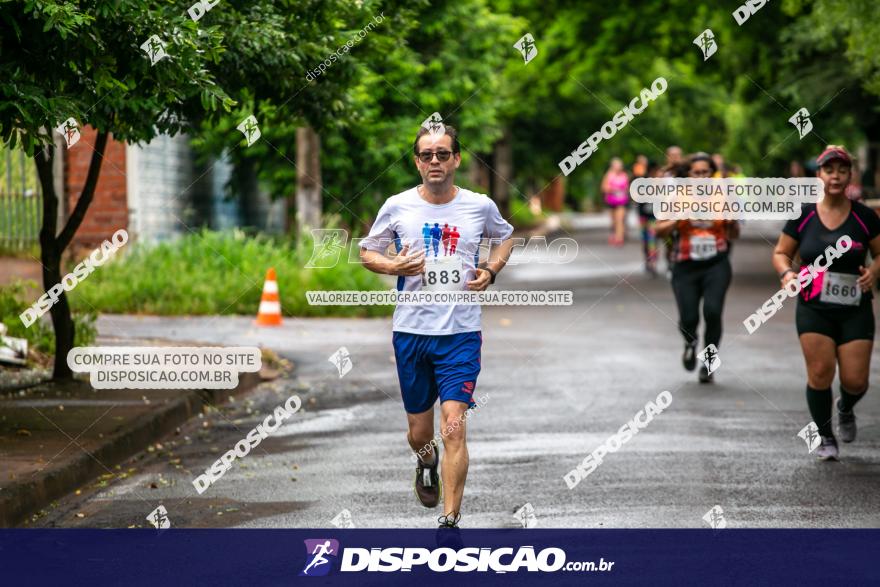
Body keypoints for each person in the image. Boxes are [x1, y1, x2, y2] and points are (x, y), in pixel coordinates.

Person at [360, 124, 515, 528]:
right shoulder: (397, 205)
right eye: (426, 154)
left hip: (461, 334)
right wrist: (392, 265)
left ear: (456, 159)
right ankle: (425, 461)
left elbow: (505, 238)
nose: (434, 161)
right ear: (416, 161)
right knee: (420, 433)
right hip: (411, 331)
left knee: (453, 427)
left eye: (442, 154)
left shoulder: (479, 206)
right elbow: (367, 251)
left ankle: (449, 520)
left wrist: (492, 269)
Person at [772, 145, 880, 460]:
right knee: (820, 372)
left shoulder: (864, 217)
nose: (835, 176)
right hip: (813, 306)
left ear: (850, 176)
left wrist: (873, 273)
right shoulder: (804, 215)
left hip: (854, 307)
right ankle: (825, 435)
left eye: (841, 170)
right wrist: (786, 274)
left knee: (856, 380)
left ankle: (845, 407)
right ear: (819, 174)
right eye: (829, 170)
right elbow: (781, 253)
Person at [655, 152, 740, 383]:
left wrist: (732, 222)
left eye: (706, 172)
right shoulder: (677, 197)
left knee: (713, 312)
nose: (702, 177)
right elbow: (658, 229)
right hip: (685, 265)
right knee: (689, 317)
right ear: (688, 175)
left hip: (717, 264)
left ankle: (709, 364)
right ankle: (690, 343)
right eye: (697, 172)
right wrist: (678, 218)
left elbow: (734, 234)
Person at [637, 160, 661, 276]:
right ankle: (648, 259)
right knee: (646, 240)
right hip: (644, 215)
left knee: (652, 240)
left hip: (654, 217)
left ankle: (653, 263)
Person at [601, 157, 630, 246]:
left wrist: (624, 191)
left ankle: (619, 238)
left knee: (620, 219)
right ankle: (614, 234)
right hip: (611, 201)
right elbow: (603, 188)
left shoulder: (624, 175)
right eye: (616, 165)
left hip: (622, 201)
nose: (618, 167)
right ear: (612, 166)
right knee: (614, 221)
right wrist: (613, 189)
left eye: (620, 165)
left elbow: (627, 188)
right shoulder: (609, 175)